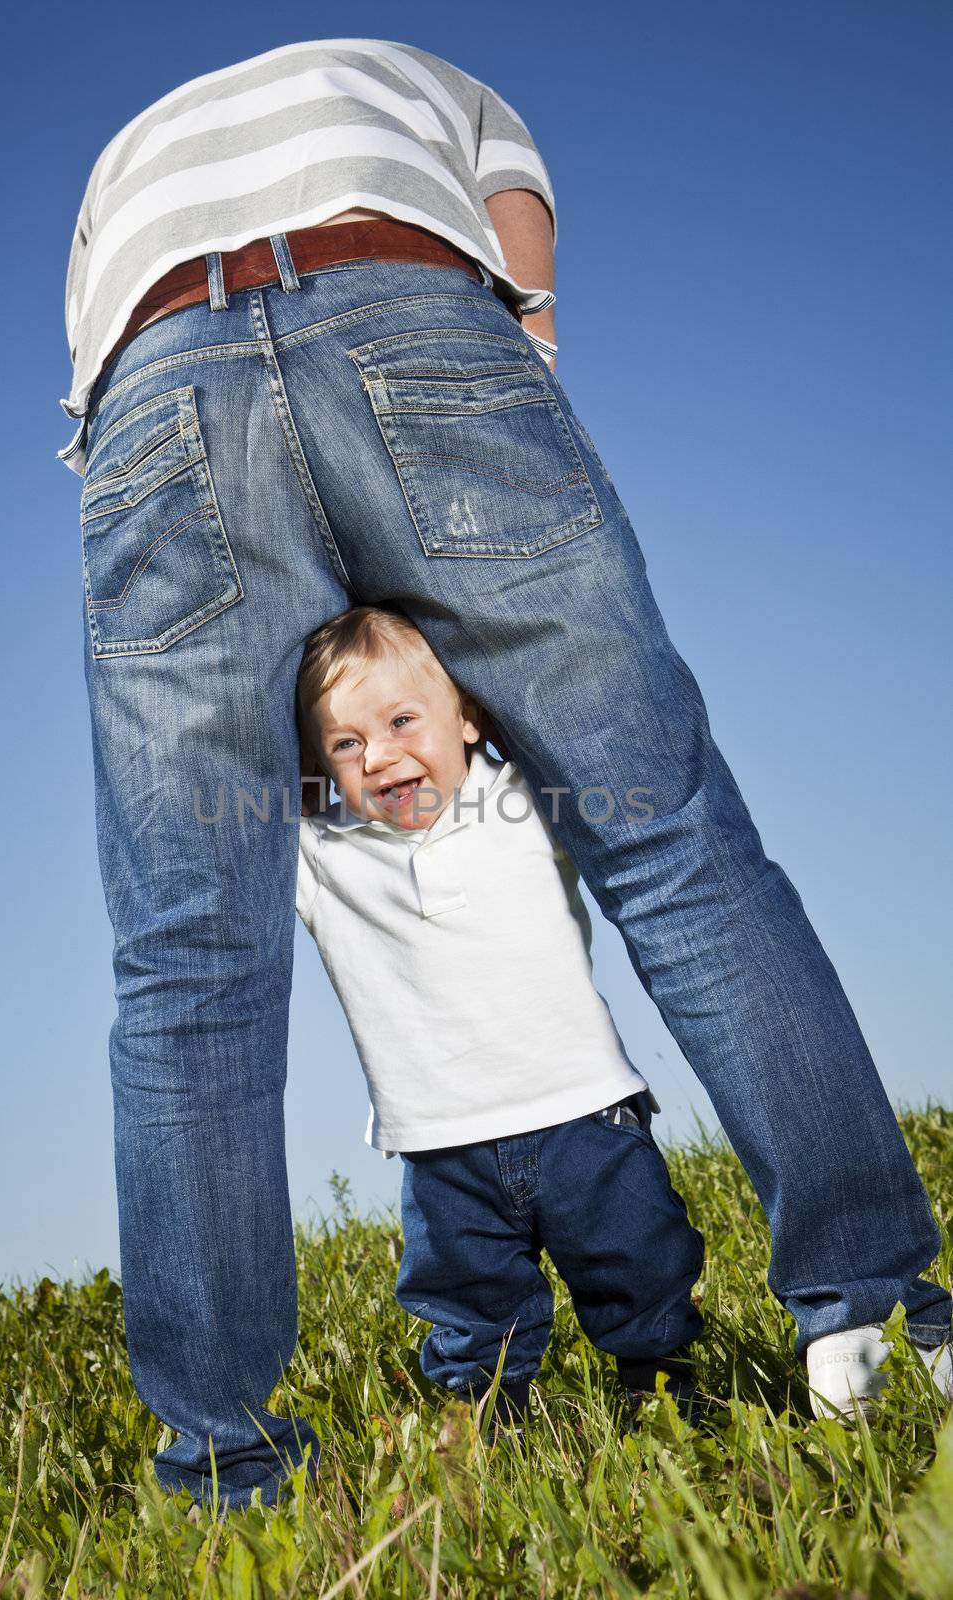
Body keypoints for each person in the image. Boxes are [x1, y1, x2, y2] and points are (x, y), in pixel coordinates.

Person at [60, 38, 950, 1507]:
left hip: (150, 379)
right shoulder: (414, 75)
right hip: (404, 303)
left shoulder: (116, 167)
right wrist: (500, 376)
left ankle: (222, 1469)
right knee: (667, 841)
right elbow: (515, 228)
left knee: (185, 970)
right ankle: (875, 1323)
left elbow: (93, 390)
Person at [294, 603, 706, 1431]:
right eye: (345, 744)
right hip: (442, 1145)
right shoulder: (321, 854)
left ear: (469, 717)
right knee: (467, 1303)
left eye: (402, 720)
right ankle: (491, 1431)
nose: (378, 754)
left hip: (585, 1113)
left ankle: (664, 1407)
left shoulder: (522, 798)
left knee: (639, 1266)